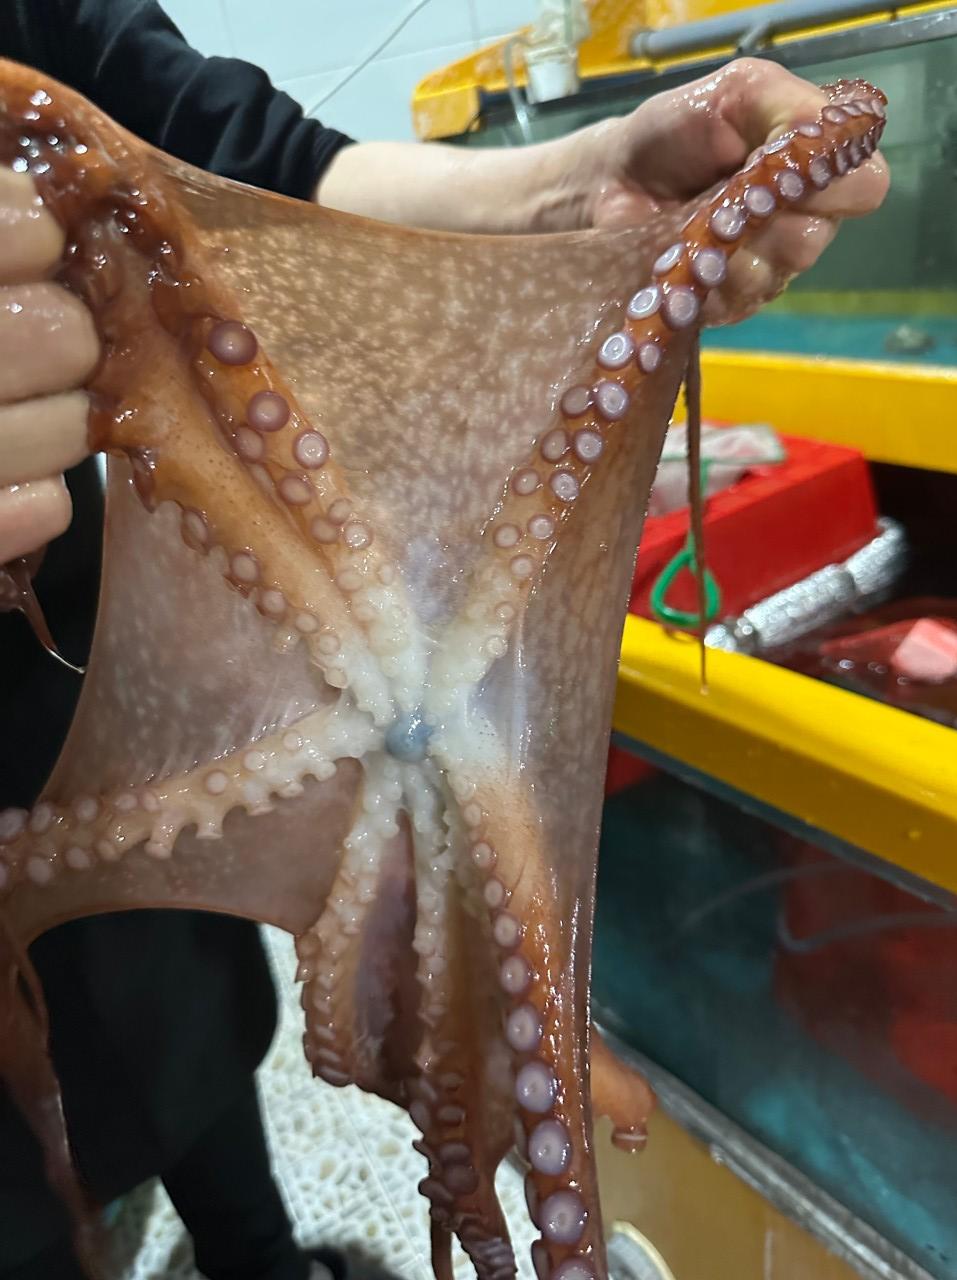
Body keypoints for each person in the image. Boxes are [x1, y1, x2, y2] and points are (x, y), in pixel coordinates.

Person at [0, 3, 888, 1279]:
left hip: (87, 673)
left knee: (188, 1039)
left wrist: (579, 188)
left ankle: (264, 1258)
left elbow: (235, 150)